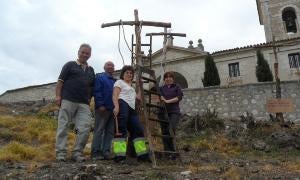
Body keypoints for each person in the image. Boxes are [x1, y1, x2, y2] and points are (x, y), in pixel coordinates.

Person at [55, 43, 95, 162]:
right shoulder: (69, 65)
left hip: (84, 103)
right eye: (83, 52)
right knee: (63, 126)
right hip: (68, 99)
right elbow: (60, 82)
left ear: (90, 55)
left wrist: (89, 99)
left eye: (87, 53)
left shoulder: (91, 70)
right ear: (78, 52)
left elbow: (92, 87)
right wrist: (58, 96)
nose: (85, 55)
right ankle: (61, 153)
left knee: (85, 127)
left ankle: (77, 152)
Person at [112, 65, 150, 163]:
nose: (129, 74)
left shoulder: (132, 88)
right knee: (121, 129)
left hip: (132, 109)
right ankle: (119, 156)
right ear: (123, 74)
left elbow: (138, 98)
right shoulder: (119, 82)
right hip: (122, 104)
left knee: (138, 130)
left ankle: (142, 155)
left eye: (131, 73)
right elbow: (115, 95)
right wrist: (116, 106)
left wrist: (141, 87)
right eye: (127, 73)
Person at [91, 61, 116, 160]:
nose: (110, 67)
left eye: (112, 65)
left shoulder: (115, 81)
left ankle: (106, 152)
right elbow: (97, 91)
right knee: (99, 130)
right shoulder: (100, 77)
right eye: (108, 65)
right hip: (103, 109)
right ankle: (96, 152)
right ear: (104, 67)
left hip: (112, 110)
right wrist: (100, 104)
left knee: (109, 132)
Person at [158, 71, 183, 159]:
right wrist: (163, 99)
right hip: (163, 112)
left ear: (173, 79)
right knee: (164, 132)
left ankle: (173, 151)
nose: (168, 79)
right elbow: (160, 96)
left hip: (174, 111)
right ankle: (167, 152)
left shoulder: (177, 87)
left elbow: (179, 97)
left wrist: (167, 101)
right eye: (166, 77)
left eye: (170, 77)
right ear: (164, 79)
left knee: (171, 129)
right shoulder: (161, 88)